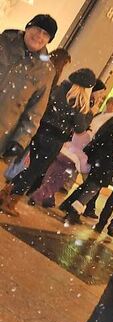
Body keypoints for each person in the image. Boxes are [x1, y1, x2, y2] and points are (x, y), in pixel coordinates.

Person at [0, 68, 95, 216]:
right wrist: (87, 112)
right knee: (34, 172)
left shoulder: (58, 89)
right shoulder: (77, 101)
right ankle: (10, 201)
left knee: (30, 167)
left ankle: (6, 192)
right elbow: (80, 128)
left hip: (40, 132)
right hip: (54, 140)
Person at [60, 108, 113, 225]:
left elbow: (99, 139)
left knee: (89, 185)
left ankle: (69, 205)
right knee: (92, 189)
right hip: (107, 165)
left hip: (97, 159)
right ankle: (73, 211)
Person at [0, 14, 57, 161]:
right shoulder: (3, 43)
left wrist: (20, 141)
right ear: (28, 28)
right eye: (37, 29)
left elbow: (35, 111)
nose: (39, 36)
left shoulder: (46, 70)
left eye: (45, 34)